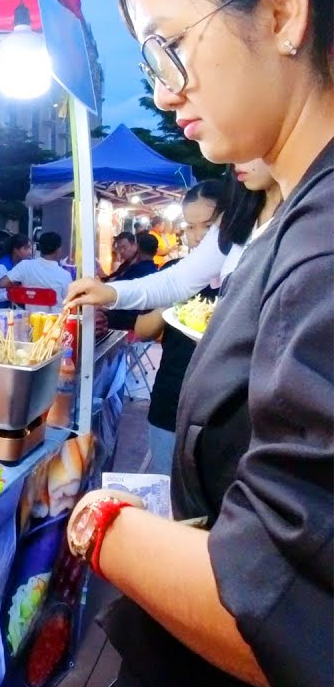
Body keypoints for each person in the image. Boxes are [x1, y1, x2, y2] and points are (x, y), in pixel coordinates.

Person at [68, 0, 333, 687]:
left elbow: (281, 605)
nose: (161, 92)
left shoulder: (322, 246)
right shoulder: (289, 221)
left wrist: (98, 522)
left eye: (169, 45)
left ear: (282, 9)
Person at [64, 159, 281, 312]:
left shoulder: (296, 222)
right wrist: (110, 293)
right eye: (191, 227)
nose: (234, 157)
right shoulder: (239, 220)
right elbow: (177, 281)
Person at [131, 181, 224, 475]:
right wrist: (174, 302)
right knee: (168, 488)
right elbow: (143, 329)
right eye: (190, 227)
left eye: (208, 225)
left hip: (222, 412)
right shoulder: (175, 274)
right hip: (171, 399)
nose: (198, 236)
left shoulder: (243, 274)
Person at [0, 232, 72, 312]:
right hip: (56, 319)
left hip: (31, 318)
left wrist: (21, 284)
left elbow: (2, 283)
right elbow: (70, 302)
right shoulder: (65, 275)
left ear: (39, 248)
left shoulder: (25, 266)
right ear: (59, 250)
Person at [104, 233, 161, 330]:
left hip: (126, 319)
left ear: (136, 247)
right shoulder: (153, 270)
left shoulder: (137, 269)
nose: (121, 251)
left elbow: (114, 288)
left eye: (124, 247)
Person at [0, 234, 33, 309]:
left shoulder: (18, 264)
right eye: (26, 248)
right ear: (15, 250)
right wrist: (19, 292)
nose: (30, 252)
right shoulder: (0, 268)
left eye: (30, 248)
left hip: (10, 307)